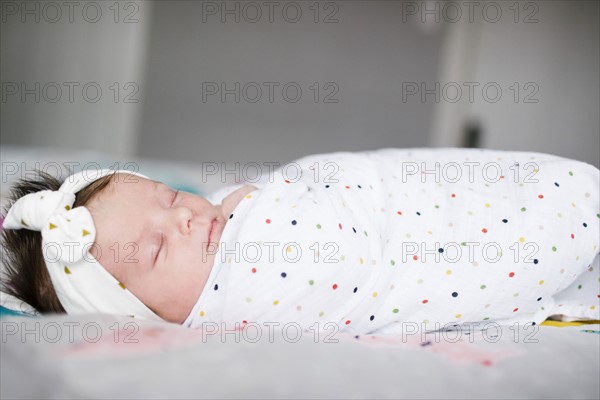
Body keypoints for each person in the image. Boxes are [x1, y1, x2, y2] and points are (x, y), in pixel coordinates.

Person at [1, 148, 598, 334]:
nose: (184, 218)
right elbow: (342, 253)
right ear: (139, 315)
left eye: (169, 196)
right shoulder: (240, 294)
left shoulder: (221, 225)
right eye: (157, 250)